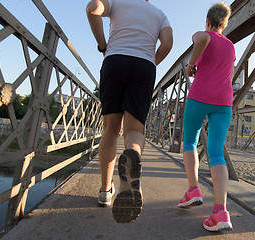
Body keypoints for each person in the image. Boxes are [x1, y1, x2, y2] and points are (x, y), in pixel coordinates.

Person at [86, 0, 173, 223]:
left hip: (115, 61)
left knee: (111, 129)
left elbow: (92, 8)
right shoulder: (159, 14)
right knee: (134, 130)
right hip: (144, 66)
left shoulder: (116, 2)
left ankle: (105, 192)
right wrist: (152, 61)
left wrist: (102, 46)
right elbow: (167, 43)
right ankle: (132, 155)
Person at [177, 2, 235, 232]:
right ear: (225, 23)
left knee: (190, 141)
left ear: (209, 22)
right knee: (216, 152)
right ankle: (220, 211)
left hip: (199, 97)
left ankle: (193, 190)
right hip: (223, 103)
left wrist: (191, 64)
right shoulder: (231, 46)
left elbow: (202, 39)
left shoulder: (204, 35)